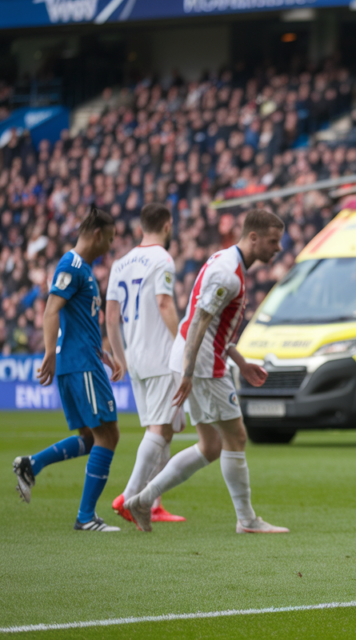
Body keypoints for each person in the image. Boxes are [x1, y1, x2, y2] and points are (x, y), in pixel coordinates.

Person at [124, 209, 289, 535]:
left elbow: (211, 324)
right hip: (201, 365)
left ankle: (143, 499)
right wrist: (188, 372)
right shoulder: (228, 273)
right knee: (236, 437)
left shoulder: (225, 261)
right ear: (253, 238)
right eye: (273, 241)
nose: (278, 248)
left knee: (211, 445)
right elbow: (199, 320)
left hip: (198, 360)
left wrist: (239, 361)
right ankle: (247, 520)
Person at [12, 207, 124, 531]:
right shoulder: (71, 264)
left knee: (90, 438)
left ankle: (31, 464)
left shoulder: (84, 268)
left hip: (84, 360)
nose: (110, 245)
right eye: (111, 238)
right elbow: (51, 310)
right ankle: (86, 517)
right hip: (79, 365)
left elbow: (78, 321)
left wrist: (103, 353)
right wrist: (49, 352)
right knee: (109, 434)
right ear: (97, 234)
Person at [105, 203, 186, 525]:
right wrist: (183, 342)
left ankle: (153, 504)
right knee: (160, 428)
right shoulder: (162, 259)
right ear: (167, 226)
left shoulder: (121, 263)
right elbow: (164, 303)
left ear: (141, 227)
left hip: (136, 357)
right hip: (161, 354)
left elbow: (111, 316)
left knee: (164, 431)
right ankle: (131, 496)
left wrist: (119, 358)